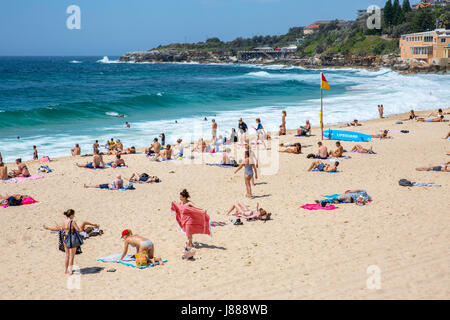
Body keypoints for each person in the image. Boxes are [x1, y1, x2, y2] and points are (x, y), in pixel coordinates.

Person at [43, 209, 82, 275]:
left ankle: (65, 270)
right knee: (72, 256)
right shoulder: (72, 222)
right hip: (71, 239)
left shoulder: (63, 222)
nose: (74, 216)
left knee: (67, 255)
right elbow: (78, 230)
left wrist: (48, 228)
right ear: (71, 215)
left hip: (64, 238)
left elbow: (59, 229)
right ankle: (70, 271)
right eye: (73, 215)